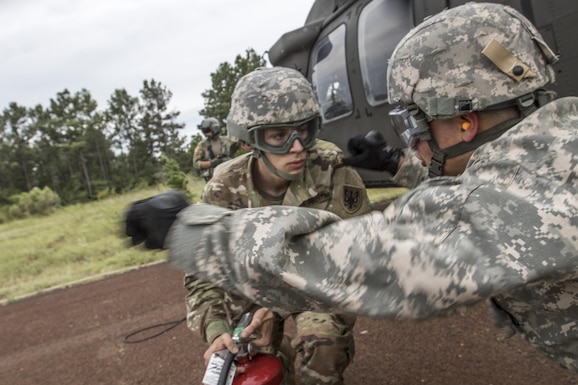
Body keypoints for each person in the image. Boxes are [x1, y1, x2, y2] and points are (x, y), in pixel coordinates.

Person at [166, 3, 578, 373]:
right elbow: (481, 194)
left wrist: (189, 231)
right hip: (271, 291)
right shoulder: (555, 154)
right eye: (277, 136)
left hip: (310, 288)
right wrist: (399, 166)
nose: (414, 142)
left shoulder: (523, 203)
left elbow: (378, 255)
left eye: (416, 123)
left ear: (465, 123)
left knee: (320, 343)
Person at [183, 66, 370, 384]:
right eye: (279, 136)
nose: (297, 147)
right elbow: (203, 274)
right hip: (254, 286)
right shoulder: (223, 188)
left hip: (317, 285)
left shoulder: (330, 168)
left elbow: (356, 256)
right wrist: (216, 332)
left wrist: (278, 309)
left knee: (322, 342)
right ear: (248, 142)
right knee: (257, 363)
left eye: (304, 131)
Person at [193, 117, 236, 182]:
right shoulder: (202, 145)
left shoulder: (227, 140)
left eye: (208, 131)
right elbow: (196, 164)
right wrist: (213, 163)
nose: (206, 134)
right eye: (204, 132)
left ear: (215, 128)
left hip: (228, 175)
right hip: (212, 179)